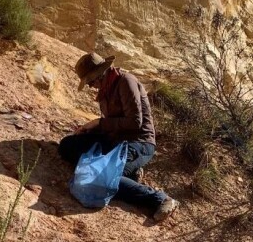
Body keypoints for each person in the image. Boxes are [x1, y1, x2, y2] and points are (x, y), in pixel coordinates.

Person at [58, 52, 178, 222]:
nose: (91, 86)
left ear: (101, 74)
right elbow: (112, 123)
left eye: (91, 82)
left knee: (105, 179)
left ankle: (160, 198)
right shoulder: (106, 88)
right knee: (67, 146)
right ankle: (130, 174)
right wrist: (88, 130)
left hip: (139, 143)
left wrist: (99, 123)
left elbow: (135, 122)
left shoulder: (125, 82)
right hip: (115, 140)